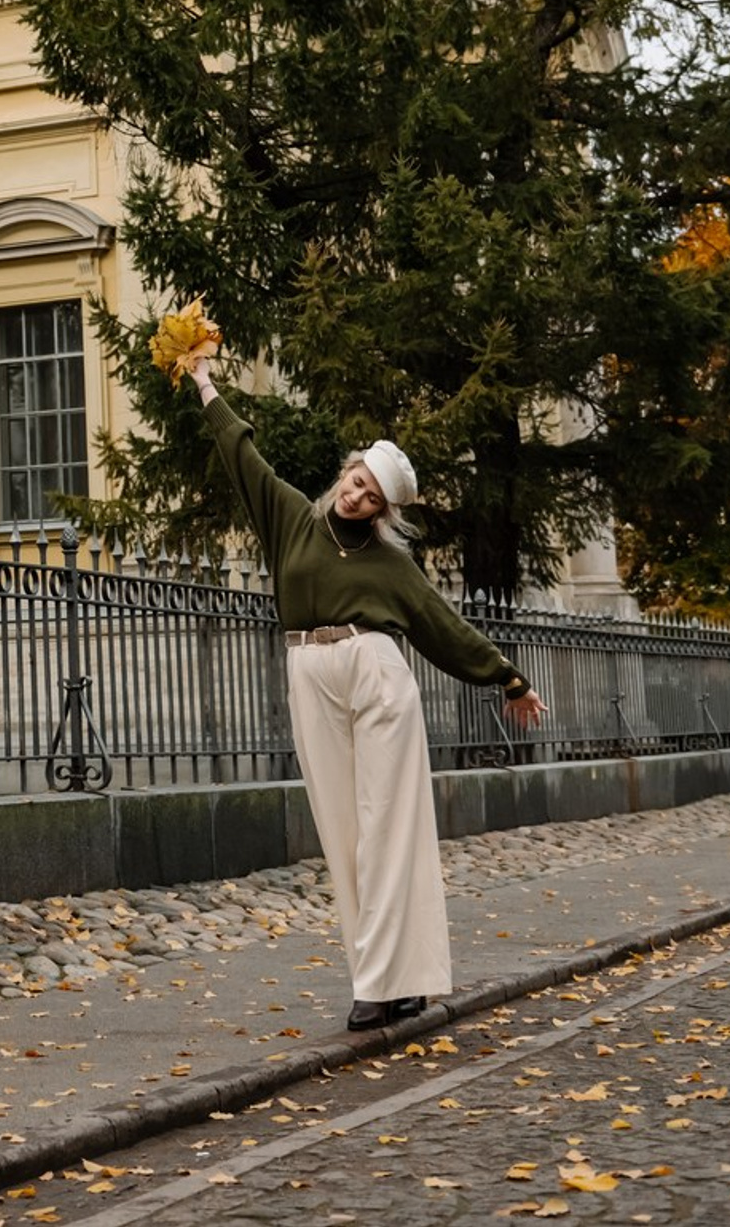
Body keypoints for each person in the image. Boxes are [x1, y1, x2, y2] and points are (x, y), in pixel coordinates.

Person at [179, 327, 545, 1032]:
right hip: (308, 670)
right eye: (356, 482)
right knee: (344, 834)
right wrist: (203, 380)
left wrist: (508, 679)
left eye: (372, 496)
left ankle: (379, 989)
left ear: (384, 510)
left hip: (375, 671)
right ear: (345, 473)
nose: (357, 497)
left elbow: (441, 626)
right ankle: (396, 979)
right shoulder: (291, 518)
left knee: (388, 828)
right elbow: (241, 453)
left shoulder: (390, 566)